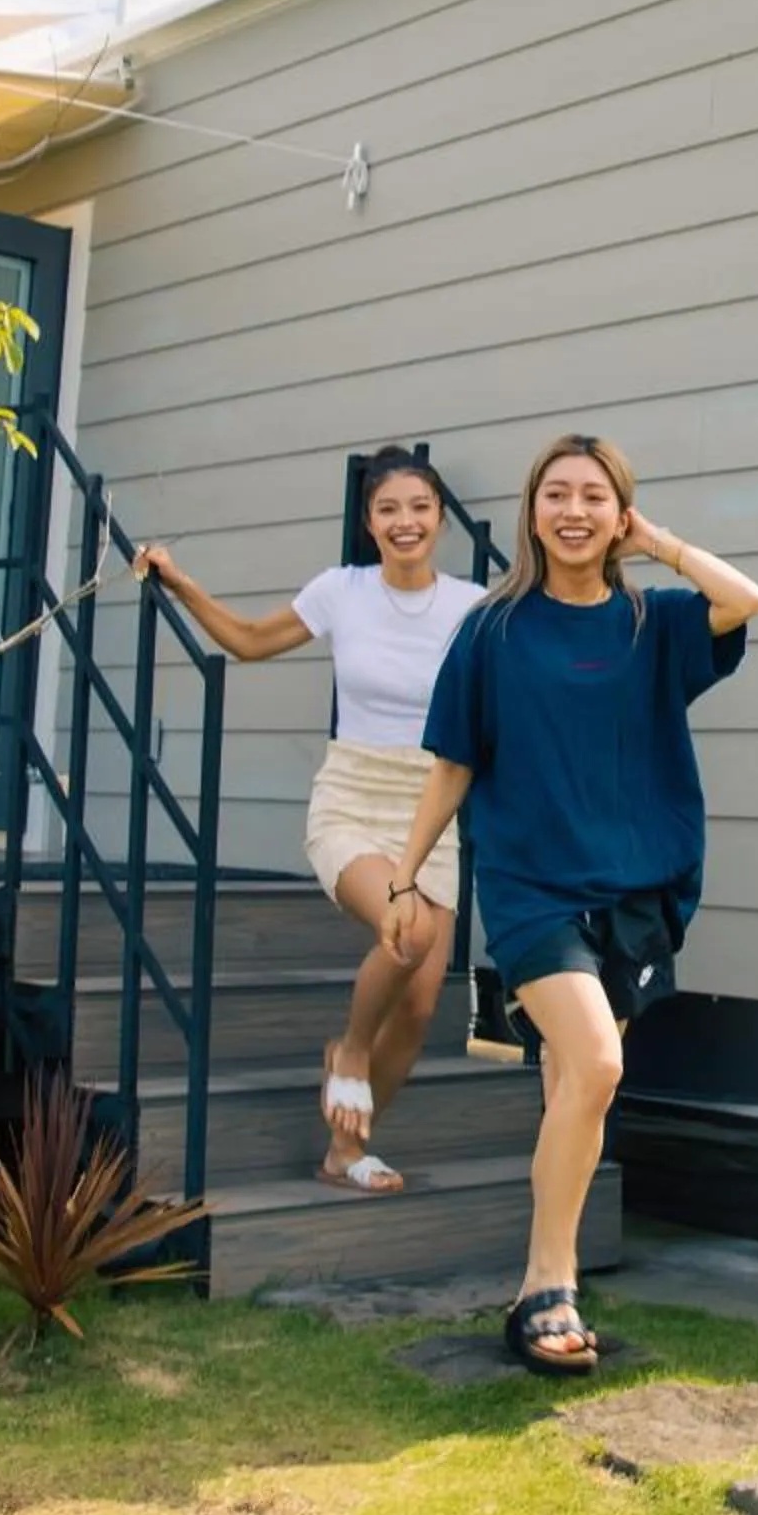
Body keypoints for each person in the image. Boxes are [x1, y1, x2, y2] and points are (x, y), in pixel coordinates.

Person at [386, 432, 758, 1375]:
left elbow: (745, 600)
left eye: (596, 496)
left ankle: (543, 1283)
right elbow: (453, 766)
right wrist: (405, 875)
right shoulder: (492, 629)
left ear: (620, 512)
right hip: (532, 887)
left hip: (637, 890)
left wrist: (662, 544)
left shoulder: (655, 624)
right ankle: (546, 1283)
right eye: (556, 494)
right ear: (532, 512)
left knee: (572, 1088)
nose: (575, 511)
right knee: (596, 1064)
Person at [135, 447, 487, 1194]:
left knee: (423, 1006)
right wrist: (183, 583)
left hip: (433, 803)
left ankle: (345, 1151)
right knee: (406, 930)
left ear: (439, 520)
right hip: (353, 797)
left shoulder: (471, 606)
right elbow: (253, 642)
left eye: (419, 508)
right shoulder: (342, 591)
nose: (405, 522)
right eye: (388, 509)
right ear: (369, 522)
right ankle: (351, 1049)